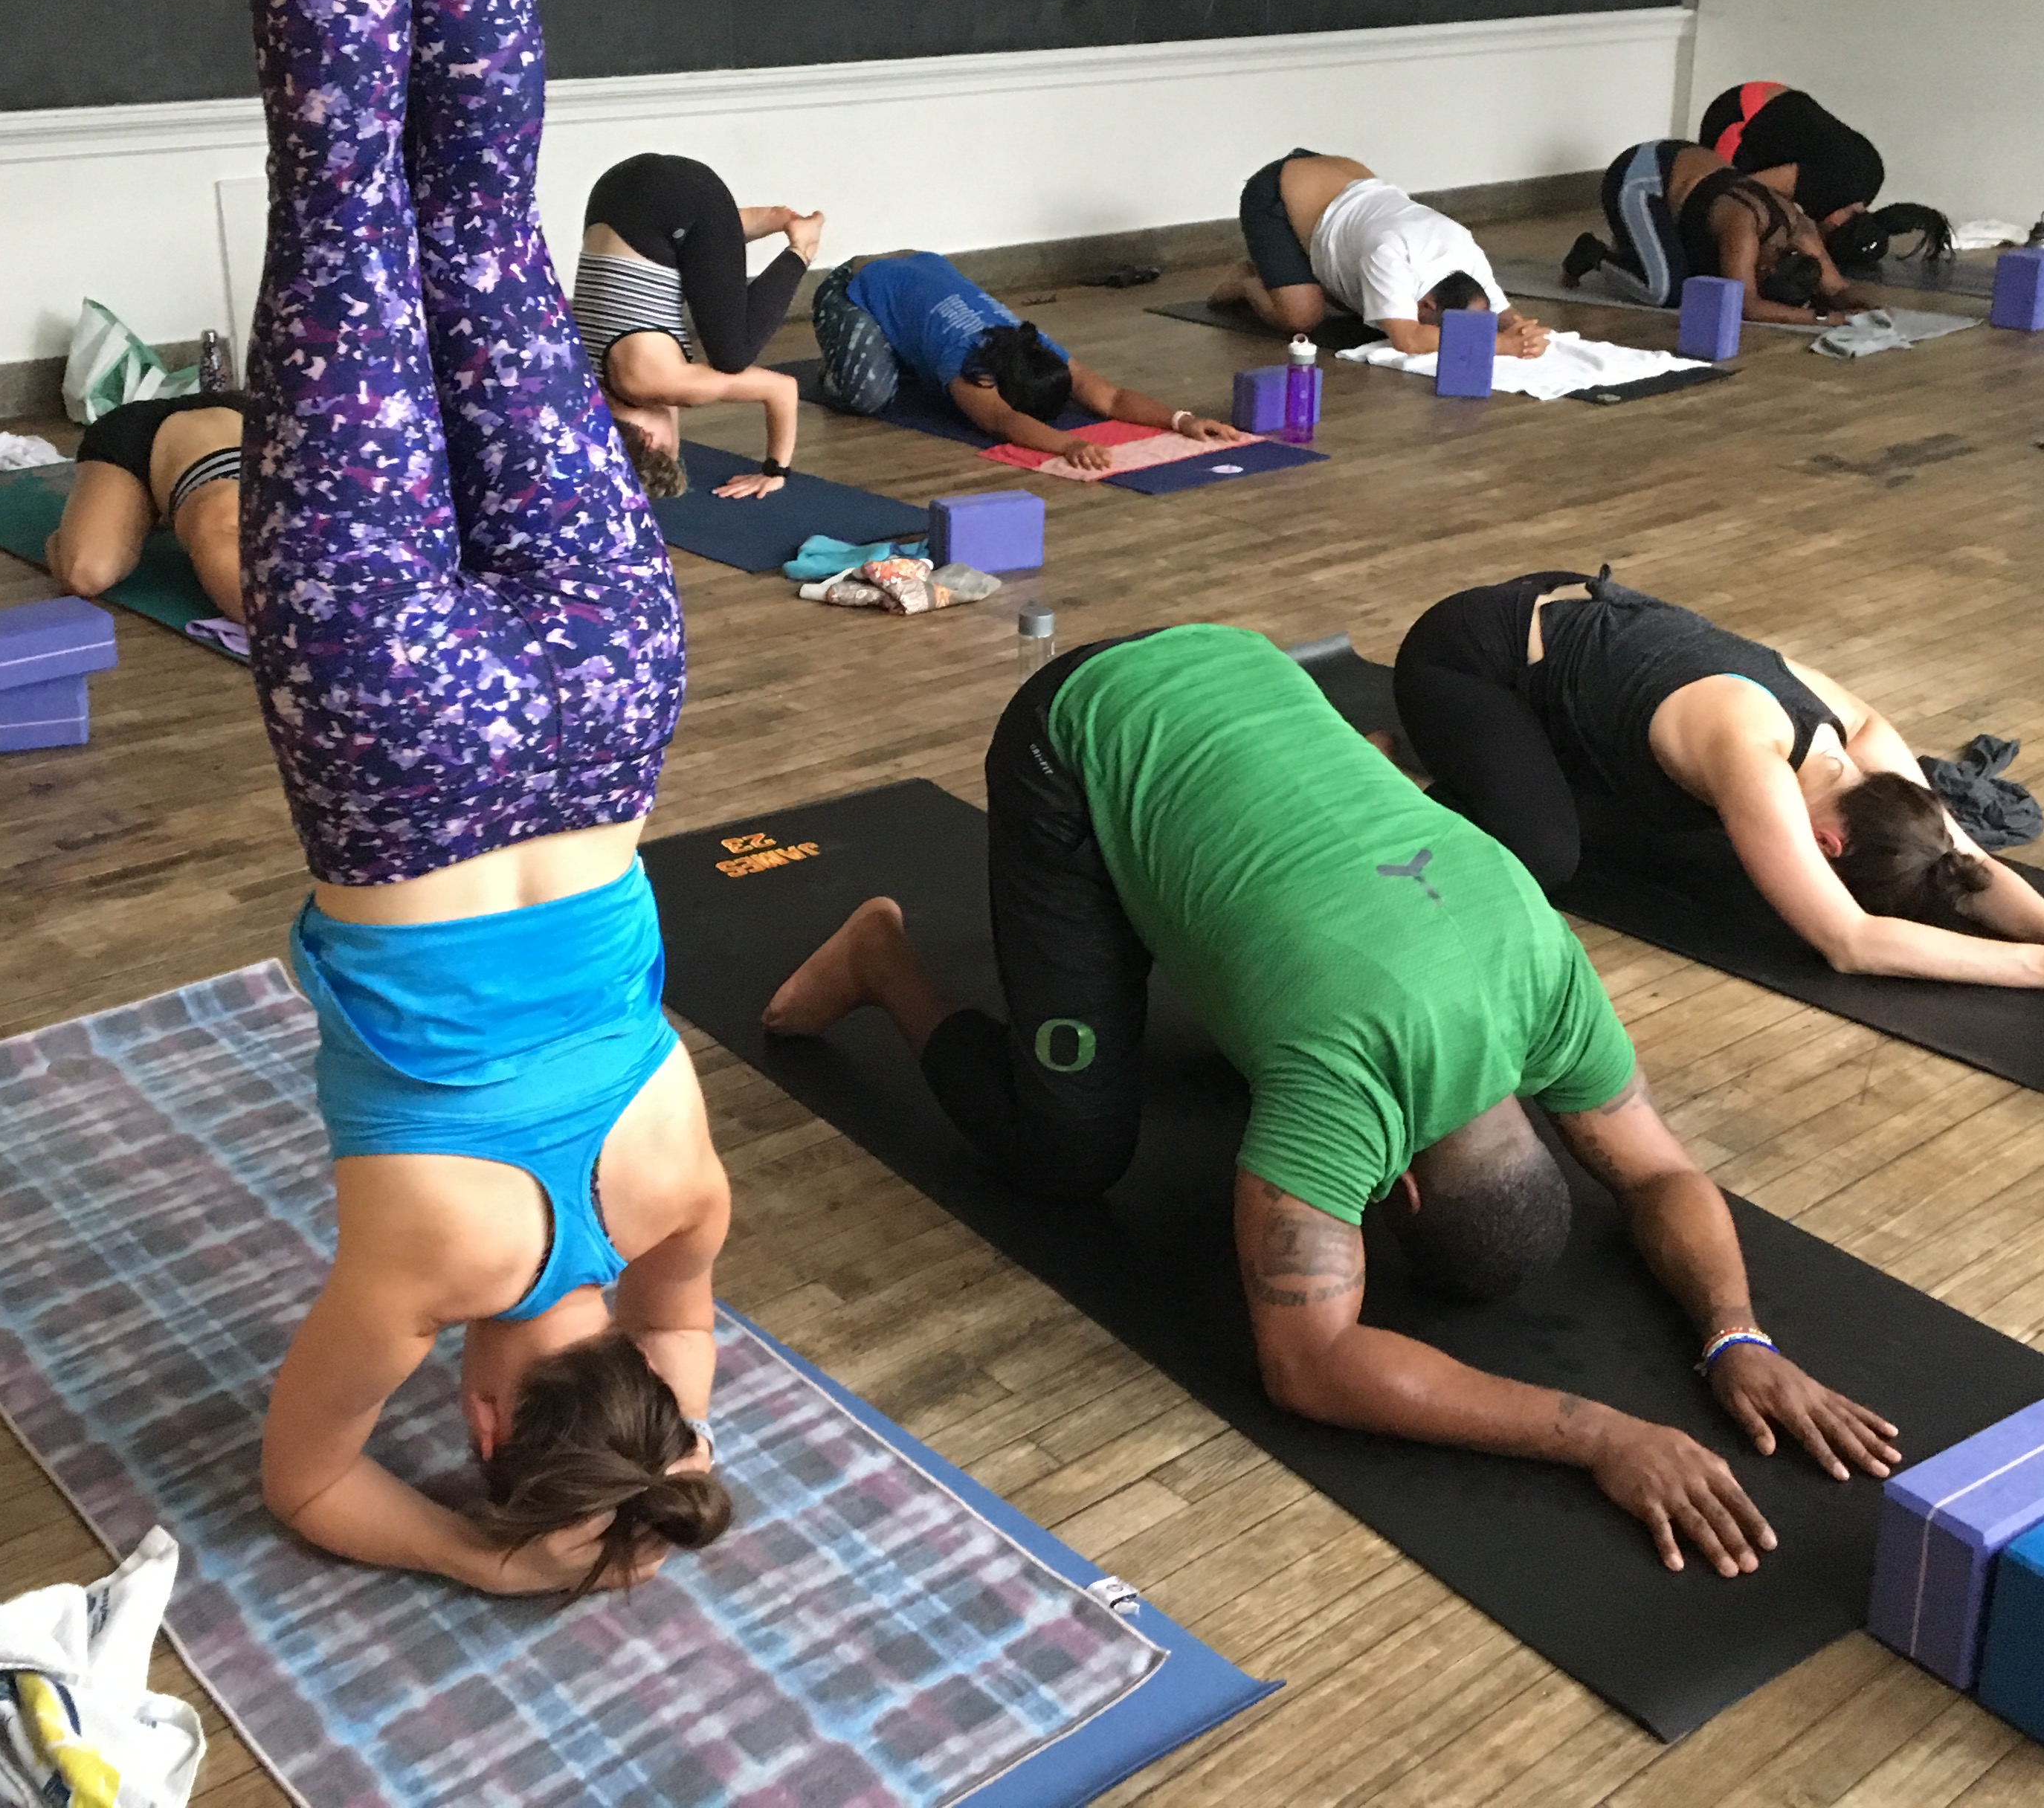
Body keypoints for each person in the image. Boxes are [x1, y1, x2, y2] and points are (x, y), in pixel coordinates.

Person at [763, 623, 1900, 1577]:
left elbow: (1657, 1171)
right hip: (1084, 718)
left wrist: (1737, 1336)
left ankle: (1161, 900)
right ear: (1391, 1186)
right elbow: (1308, 1365)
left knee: (1223, 977)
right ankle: (879, 959)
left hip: (1256, 667)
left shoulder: (1549, 986)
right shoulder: (1341, 1096)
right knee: (1067, 1150)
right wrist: (1595, 1434)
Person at [235, 0, 729, 1601]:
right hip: (411, 768)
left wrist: (641, 1484)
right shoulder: (433, 1272)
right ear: (487, 1419)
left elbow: (682, 1329)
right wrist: (506, 1562)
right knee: (343, 184)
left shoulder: (681, 1197)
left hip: (610, 713)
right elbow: (303, 1485)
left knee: (486, 209)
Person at [1394, 572, 2044, 1014]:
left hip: (1580, 667)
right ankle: (1385, 765)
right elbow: (1850, 943)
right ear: (1830, 844)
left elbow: (1963, 861)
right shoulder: (1752, 756)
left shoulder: (1868, 743)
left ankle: (1521, 766)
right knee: (1545, 855)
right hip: (1465, 658)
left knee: (1691, 841)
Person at [810, 250, 1237, 471]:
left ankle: (901, 343)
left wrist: (1182, 420)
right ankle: (838, 370)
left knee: (916, 364)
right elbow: (1001, 421)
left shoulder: (1036, 345)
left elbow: (1111, 398)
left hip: (916, 265)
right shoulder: (971, 363)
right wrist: (1069, 444)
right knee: (870, 395)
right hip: (852, 285)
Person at [573, 152, 817, 502]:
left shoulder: (655, 382)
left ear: (649, 439)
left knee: (733, 355)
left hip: (678, 195)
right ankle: (737, 225)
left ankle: (802, 245)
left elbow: (781, 389)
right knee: (691, 291)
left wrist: (774, 471)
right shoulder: (587, 394)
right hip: (616, 195)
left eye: (674, 449)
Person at [1209, 150, 1551, 358]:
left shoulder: (1464, 250)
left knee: (1362, 305)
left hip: (1345, 184)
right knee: (1302, 317)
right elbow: (1408, 339)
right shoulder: (1388, 255)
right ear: (1426, 305)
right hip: (1281, 190)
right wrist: (1503, 347)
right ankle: (1247, 279)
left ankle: (1300, 274)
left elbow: (1506, 315)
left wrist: (1526, 335)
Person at [1561, 141, 1871, 326]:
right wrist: (1823, 320)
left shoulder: (1802, 231)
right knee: (1666, 292)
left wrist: (1868, 311)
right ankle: (1595, 253)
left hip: (1688, 175)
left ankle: (1639, 250)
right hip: (1640, 176)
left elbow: (1837, 288)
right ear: (1766, 267)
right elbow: (1746, 306)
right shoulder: (1743, 227)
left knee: (1701, 278)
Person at [1695, 83, 1953, 268]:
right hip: (1739, 114)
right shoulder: (1824, 189)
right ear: (1833, 228)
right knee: (1726, 201)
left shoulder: (1871, 180)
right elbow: (1739, 188)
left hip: (1773, 93)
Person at [46, 393, 250, 621]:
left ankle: (146, 509)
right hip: (141, 437)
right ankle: (128, 506)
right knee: (83, 573)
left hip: (211, 466)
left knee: (91, 572)